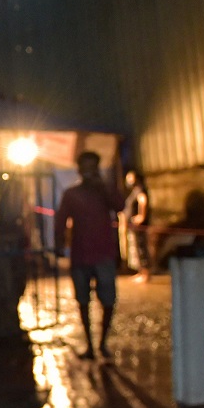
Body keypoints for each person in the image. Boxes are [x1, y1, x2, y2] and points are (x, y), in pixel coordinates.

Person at [55, 151, 126, 359]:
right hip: (81, 256)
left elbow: (119, 205)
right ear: (79, 170)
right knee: (83, 301)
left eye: (92, 167)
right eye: (85, 167)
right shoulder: (71, 194)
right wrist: (59, 245)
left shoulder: (104, 192)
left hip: (104, 254)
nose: (89, 172)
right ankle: (90, 345)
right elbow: (61, 221)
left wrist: (103, 186)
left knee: (108, 300)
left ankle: (102, 343)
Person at [123, 169, 151, 283]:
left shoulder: (139, 190)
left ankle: (145, 274)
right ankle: (140, 272)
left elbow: (143, 201)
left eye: (130, 178)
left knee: (140, 248)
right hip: (132, 226)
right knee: (135, 248)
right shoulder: (134, 191)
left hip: (138, 226)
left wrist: (141, 216)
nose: (128, 180)